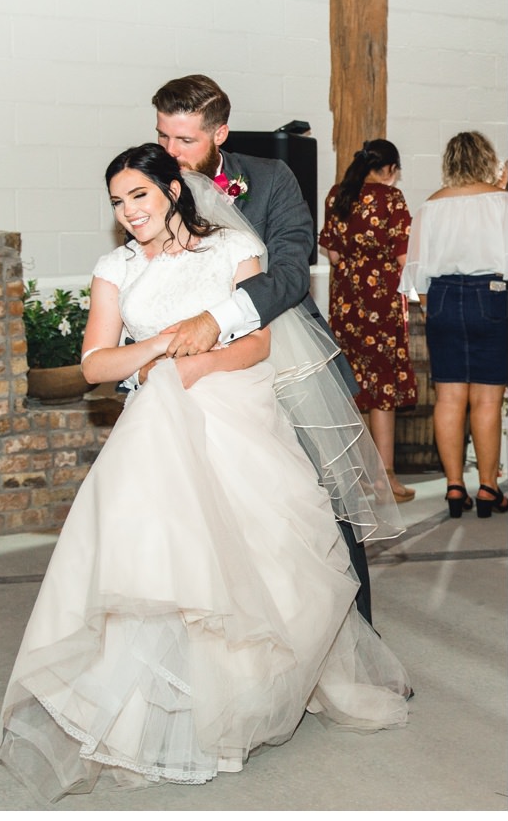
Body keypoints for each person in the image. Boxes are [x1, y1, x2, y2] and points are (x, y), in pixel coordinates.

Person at [0, 145, 410, 801]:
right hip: (155, 424)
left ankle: (246, 702)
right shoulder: (116, 267)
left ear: (173, 190)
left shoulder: (232, 250)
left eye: (139, 195)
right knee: (159, 559)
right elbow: (97, 364)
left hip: (234, 413)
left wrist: (199, 363)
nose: (128, 212)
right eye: (117, 202)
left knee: (261, 555)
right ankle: (158, 719)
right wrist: (164, 346)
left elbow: (259, 341)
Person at [148, 74, 380, 625]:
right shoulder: (147, 180)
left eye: (185, 141)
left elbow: (291, 274)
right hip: (193, 367)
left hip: (284, 353)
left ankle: (359, 647)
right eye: (162, 137)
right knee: (204, 507)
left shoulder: (272, 179)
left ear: (220, 133)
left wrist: (217, 319)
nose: (170, 153)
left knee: (321, 503)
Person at [401, 131, 508, 519]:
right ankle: (487, 486)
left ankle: (453, 486)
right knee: (486, 400)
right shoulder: (503, 203)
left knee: (448, 398)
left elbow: (417, 271)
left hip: (442, 298)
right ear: (486, 159)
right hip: (491, 295)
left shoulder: (431, 206)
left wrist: (435, 308)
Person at [319, 139, 417, 502]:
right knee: (383, 391)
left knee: (353, 386)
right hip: (382, 306)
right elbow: (405, 258)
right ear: (390, 169)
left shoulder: (337, 195)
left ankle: (359, 473)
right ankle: (385, 478)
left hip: (346, 306)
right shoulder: (392, 200)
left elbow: (330, 253)